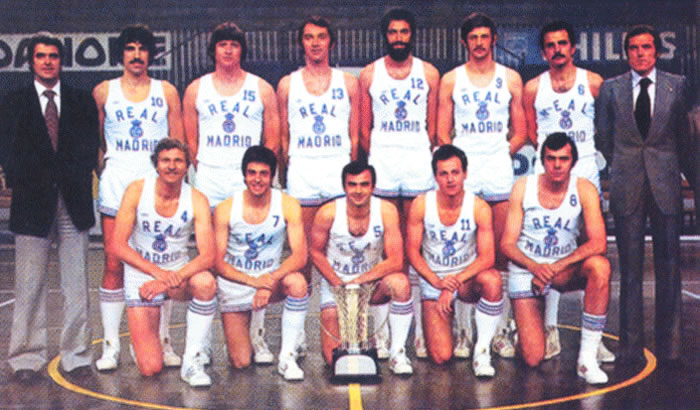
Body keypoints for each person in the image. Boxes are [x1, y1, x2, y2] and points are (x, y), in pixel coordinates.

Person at [0, 32, 99, 382]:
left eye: (53, 56)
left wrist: (64, 179)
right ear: (31, 61)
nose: (47, 61)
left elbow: (89, 148)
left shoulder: (81, 100)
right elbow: (8, 152)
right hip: (32, 202)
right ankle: (26, 357)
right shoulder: (12, 102)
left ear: (61, 61)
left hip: (74, 200)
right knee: (29, 284)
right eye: (41, 56)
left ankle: (77, 355)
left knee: (76, 284)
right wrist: (35, 181)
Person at [183, 21, 281, 365]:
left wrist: (257, 177)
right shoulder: (196, 89)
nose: (228, 49)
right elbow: (190, 141)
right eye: (222, 44)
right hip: (210, 181)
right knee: (210, 261)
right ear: (213, 50)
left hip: (247, 181)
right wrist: (206, 169)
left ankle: (257, 336)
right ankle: (204, 343)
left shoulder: (261, 88)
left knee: (254, 257)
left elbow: (272, 140)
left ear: (242, 50)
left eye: (234, 44)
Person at [596, 25, 692, 366]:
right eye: (634, 48)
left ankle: (671, 346)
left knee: (670, 267)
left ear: (657, 52)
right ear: (626, 53)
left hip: (665, 185)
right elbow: (603, 138)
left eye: (646, 47)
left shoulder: (677, 85)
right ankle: (630, 347)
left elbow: (685, 139)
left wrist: (675, 171)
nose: (640, 53)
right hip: (628, 184)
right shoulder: (610, 89)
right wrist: (626, 164)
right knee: (630, 270)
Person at [93, 24, 184, 371]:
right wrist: (109, 170)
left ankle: (162, 339)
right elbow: (97, 143)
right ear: (121, 54)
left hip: (156, 187)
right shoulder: (104, 91)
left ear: (150, 54)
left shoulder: (166, 91)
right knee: (113, 264)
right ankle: (111, 345)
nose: (136, 55)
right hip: (117, 185)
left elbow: (178, 143)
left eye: (142, 49)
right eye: (130, 48)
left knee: (162, 264)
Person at [436, 12, 526, 360]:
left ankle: (499, 331)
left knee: (500, 253)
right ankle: (462, 331)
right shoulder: (451, 79)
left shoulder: (510, 78)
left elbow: (521, 132)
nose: (478, 43)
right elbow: (442, 132)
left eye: (484, 36)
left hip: (498, 171)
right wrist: (460, 163)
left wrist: (499, 152)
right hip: (465, 174)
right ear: (464, 42)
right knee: (463, 250)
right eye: (472, 37)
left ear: (494, 39)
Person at [522, 21, 613, 362]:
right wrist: (554, 161)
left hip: (585, 168)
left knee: (592, 255)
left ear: (573, 48)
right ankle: (549, 327)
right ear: (543, 51)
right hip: (548, 170)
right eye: (550, 45)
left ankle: (595, 336)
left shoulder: (594, 83)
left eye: (562, 43)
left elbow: (606, 127)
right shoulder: (533, 87)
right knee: (548, 244)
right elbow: (532, 133)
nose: (557, 49)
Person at [359, 7, 440, 359]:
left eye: (404, 32)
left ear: (412, 35)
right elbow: (364, 129)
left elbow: (433, 128)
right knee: (385, 251)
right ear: (385, 36)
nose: (398, 38)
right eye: (392, 32)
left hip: (418, 163)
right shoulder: (369, 74)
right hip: (384, 164)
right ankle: (382, 333)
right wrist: (381, 153)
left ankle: (419, 333)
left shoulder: (429, 73)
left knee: (417, 248)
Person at [277, 15, 360, 357]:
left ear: (331, 42)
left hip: (336, 172)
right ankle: (297, 338)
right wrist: (290, 170)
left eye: (321, 37)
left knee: (338, 257)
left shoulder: (348, 83)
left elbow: (355, 137)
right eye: (309, 37)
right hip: (303, 173)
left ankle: (344, 332)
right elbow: (283, 138)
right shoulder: (287, 84)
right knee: (303, 261)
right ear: (302, 43)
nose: (315, 42)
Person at [501, 132, 611, 384]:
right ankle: (520, 330)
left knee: (600, 267)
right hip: (528, 269)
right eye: (551, 159)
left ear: (573, 162)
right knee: (533, 358)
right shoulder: (523, 187)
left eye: (563, 159)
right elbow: (507, 244)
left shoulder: (584, 188)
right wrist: (536, 267)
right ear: (542, 161)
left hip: (563, 268)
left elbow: (599, 243)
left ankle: (587, 358)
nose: (557, 165)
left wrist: (555, 267)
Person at [109, 138, 217, 387]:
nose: (172, 166)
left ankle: (192, 361)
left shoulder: (197, 199)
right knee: (150, 368)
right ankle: (146, 341)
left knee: (205, 283)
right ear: (156, 164)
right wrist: (158, 274)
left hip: (178, 272)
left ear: (187, 166)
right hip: (142, 272)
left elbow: (208, 255)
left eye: (178, 161)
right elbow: (117, 245)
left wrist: (168, 280)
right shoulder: (137, 190)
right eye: (165, 160)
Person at [406, 145, 503, 376]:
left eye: (455, 172)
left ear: (465, 174)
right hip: (434, 280)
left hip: (467, 278)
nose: (450, 179)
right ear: (435, 176)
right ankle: (455, 328)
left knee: (492, 280)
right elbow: (412, 251)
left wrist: (453, 284)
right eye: (444, 173)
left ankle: (481, 352)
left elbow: (488, 257)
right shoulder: (422, 204)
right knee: (441, 356)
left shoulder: (478, 207)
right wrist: (437, 282)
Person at [213, 146, 309, 380]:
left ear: (272, 176)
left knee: (298, 283)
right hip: (237, 283)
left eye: (263, 173)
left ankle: (287, 357)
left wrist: (267, 282)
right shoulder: (226, 209)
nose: (257, 179)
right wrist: (253, 282)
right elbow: (217, 262)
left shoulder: (287, 204)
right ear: (244, 175)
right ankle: (246, 336)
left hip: (270, 281)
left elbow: (300, 256)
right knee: (241, 361)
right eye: (252, 173)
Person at [310, 160, 414, 374]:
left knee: (401, 283)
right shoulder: (328, 212)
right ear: (344, 186)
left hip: (370, 286)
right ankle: (365, 334)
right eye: (352, 184)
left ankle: (397, 353)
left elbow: (396, 260)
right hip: (337, 286)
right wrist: (338, 283)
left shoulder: (386, 211)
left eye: (364, 184)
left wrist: (360, 281)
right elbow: (315, 252)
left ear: (373, 186)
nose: (358, 190)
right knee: (333, 359)